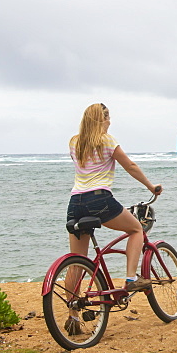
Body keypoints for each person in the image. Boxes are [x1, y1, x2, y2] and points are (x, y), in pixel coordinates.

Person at [66, 103, 162, 335]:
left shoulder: (74, 142)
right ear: (103, 119)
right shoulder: (107, 140)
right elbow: (129, 165)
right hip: (99, 199)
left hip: (74, 203)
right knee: (136, 229)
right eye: (109, 119)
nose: (110, 123)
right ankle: (130, 278)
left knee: (77, 260)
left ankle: (72, 316)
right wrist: (151, 186)